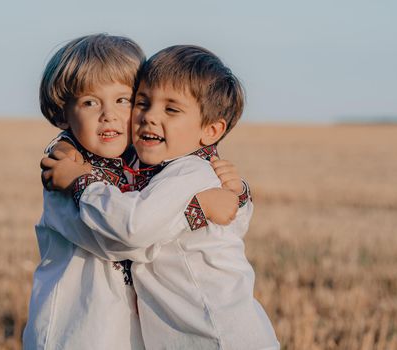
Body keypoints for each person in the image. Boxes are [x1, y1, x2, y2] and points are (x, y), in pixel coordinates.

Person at [43, 45, 280, 349]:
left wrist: (81, 182)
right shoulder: (151, 169)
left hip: (213, 334)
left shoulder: (188, 173)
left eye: (171, 109)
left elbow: (132, 231)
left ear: (211, 130)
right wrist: (62, 146)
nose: (149, 117)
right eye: (142, 102)